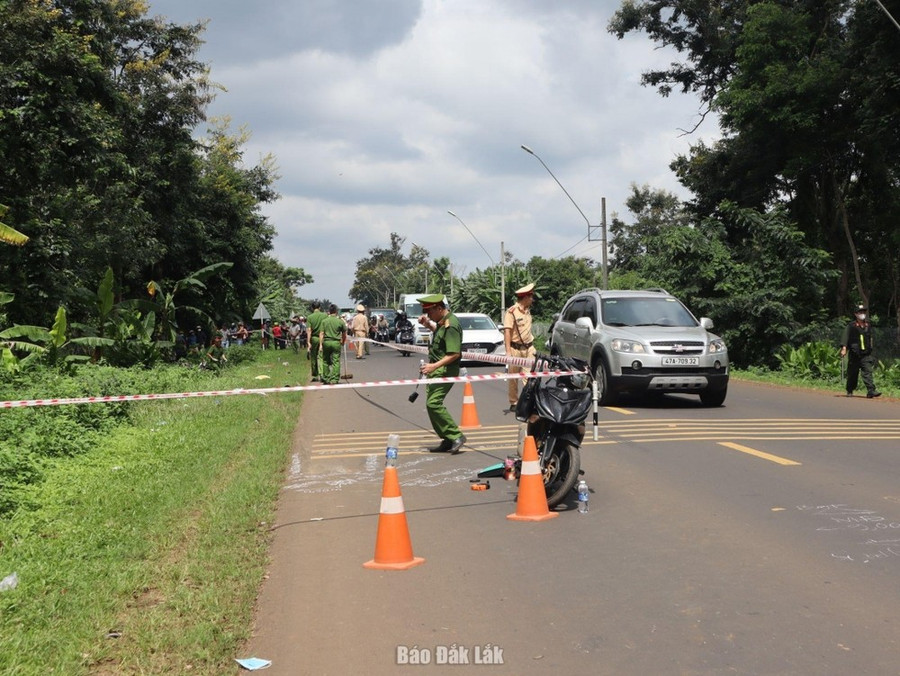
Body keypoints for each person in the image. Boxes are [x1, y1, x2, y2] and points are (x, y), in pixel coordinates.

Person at [417, 294, 466, 454]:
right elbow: (439, 336)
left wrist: (433, 366)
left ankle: (456, 435)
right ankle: (447, 439)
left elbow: (454, 353)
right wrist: (427, 324)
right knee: (431, 405)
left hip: (445, 370)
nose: (428, 315)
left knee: (433, 404)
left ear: (439, 308)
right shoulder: (443, 322)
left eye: (430, 312)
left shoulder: (451, 325)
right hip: (438, 370)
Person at [504, 282, 537, 411]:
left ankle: (529, 401)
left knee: (528, 376)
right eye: (531, 297)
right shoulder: (511, 312)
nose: (532, 299)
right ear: (525, 297)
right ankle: (514, 402)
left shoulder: (528, 311)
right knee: (513, 377)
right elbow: (507, 331)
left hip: (529, 348)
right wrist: (508, 352)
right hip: (515, 349)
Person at [840, 303, 881, 398]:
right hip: (855, 354)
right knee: (853, 374)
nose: (862, 314)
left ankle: (871, 390)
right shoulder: (851, 326)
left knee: (868, 372)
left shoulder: (868, 325)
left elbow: (870, 338)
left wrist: (871, 348)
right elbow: (845, 337)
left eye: (863, 312)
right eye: (860, 312)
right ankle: (850, 390)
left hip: (865, 354)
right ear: (855, 314)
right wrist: (844, 348)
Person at [319, 304, 347, 384]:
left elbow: (321, 333)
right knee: (336, 361)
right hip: (336, 342)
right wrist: (343, 341)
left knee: (325, 360)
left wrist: (320, 344)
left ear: (329, 311)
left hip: (326, 342)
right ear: (336, 311)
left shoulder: (324, 321)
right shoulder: (340, 321)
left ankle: (326, 378)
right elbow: (344, 333)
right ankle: (334, 379)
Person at [306, 302, 326, 381]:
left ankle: (315, 374)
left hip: (314, 338)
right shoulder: (324, 315)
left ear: (312, 308)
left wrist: (308, 342)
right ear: (320, 307)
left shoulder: (310, 317)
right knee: (322, 356)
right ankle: (322, 373)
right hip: (323, 338)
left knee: (314, 356)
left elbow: (309, 330)